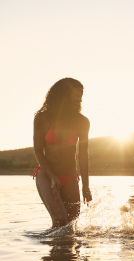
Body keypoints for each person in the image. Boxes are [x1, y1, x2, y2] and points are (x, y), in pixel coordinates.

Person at [32, 78, 92, 228]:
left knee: (71, 225)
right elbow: (38, 151)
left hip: (70, 177)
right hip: (46, 175)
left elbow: (83, 155)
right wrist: (52, 177)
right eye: (77, 95)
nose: (80, 100)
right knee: (60, 219)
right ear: (63, 94)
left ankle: (64, 251)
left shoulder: (82, 121)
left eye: (81, 96)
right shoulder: (42, 119)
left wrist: (86, 186)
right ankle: (53, 250)